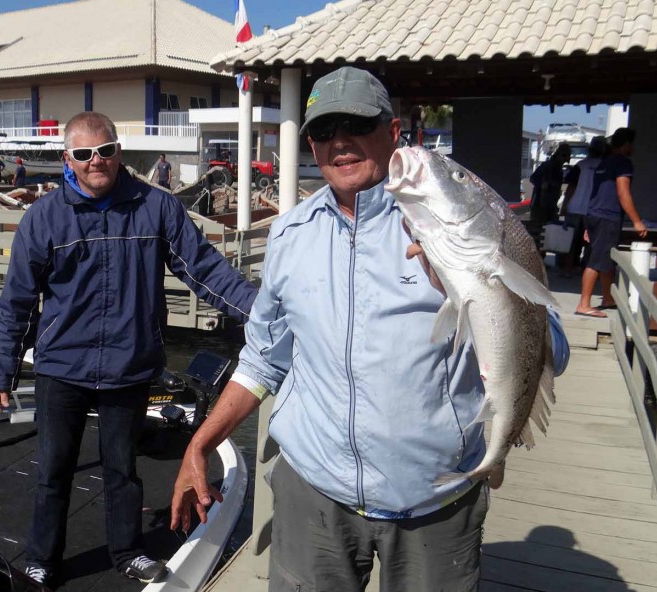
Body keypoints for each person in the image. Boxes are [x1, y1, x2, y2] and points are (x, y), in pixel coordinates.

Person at [171, 67, 569, 592]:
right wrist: (201, 443)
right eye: (323, 130)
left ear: (393, 132)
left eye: (357, 125)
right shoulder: (289, 234)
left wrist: (466, 294)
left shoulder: (456, 223)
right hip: (312, 491)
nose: (339, 142)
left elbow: (552, 347)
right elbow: (263, 358)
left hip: (435, 498)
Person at [0, 112, 257, 588]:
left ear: (119, 152)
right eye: (85, 154)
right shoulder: (43, 217)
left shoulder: (157, 207)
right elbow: (18, 302)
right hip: (61, 367)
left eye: (106, 151)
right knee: (53, 471)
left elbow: (205, 270)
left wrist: (261, 311)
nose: (97, 161)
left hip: (129, 366)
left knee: (122, 471)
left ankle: (128, 551)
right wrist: (1, 369)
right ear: (67, 159)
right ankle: (41, 558)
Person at [575, 127, 647, 317]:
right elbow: (623, 193)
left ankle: (608, 298)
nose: (633, 148)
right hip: (607, 217)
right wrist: (637, 221)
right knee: (596, 260)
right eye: (631, 144)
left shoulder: (604, 162)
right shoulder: (623, 163)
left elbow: (594, 192)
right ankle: (584, 304)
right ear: (626, 144)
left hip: (594, 214)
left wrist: (589, 224)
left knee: (606, 257)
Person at [559, 136, 608, 277]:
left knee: (570, 242)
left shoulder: (581, 165)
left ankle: (567, 269)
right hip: (595, 210)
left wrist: (564, 206)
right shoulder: (606, 167)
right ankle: (587, 271)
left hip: (575, 208)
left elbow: (571, 188)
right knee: (592, 244)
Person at [529, 142, 571, 231]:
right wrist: (543, 184)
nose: (566, 159)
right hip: (540, 203)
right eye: (564, 156)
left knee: (549, 228)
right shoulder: (547, 165)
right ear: (559, 155)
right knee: (539, 228)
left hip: (551, 204)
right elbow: (533, 178)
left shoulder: (559, 169)